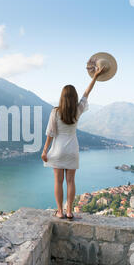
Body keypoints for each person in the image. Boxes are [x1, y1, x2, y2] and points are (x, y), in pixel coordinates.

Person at [41, 66, 105, 220]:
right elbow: (87, 93)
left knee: (58, 181)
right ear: (74, 97)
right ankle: (69, 211)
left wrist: (44, 151)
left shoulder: (55, 112)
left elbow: (50, 134)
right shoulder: (78, 109)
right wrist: (95, 76)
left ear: (62, 97)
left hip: (57, 151)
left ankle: (60, 212)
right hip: (72, 150)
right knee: (70, 181)